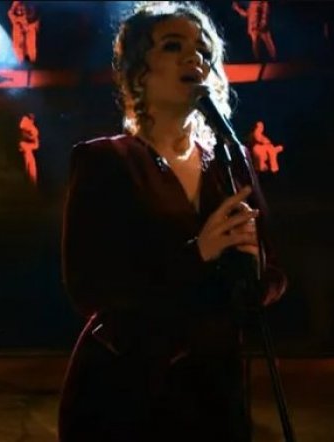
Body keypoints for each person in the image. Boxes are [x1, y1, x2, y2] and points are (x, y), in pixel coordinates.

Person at [58, 3, 287, 441]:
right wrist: (197, 254)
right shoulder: (105, 160)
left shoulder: (230, 160)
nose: (194, 58)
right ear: (138, 71)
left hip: (215, 393)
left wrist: (256, 268)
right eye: (172, 46)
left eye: (203, 50)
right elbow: (89, 287)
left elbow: (275, 274)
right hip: (127, 391)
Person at [19, 113, 40, 184]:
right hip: (25, 150)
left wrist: (34, 138)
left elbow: (36, 145)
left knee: (32, 171)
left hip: (28, 150)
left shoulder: (33, 129)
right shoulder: (24, 123)